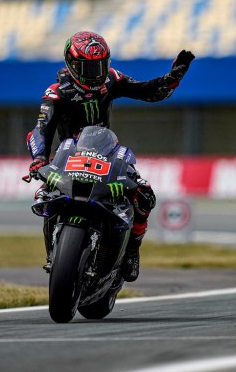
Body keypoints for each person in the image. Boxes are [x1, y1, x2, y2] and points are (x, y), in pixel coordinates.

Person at [26, 30, 194, 282]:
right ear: (72, 65)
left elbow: (148, 91)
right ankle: (55, 253)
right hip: (67, 158)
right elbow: (40, 130)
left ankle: (132, 250)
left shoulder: (112, 79)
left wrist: (172, 78)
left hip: (105, 152)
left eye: (101, 65)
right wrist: (39, 159)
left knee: (144, 194)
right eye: (89, 67)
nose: (97, 73)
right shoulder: (56, 93)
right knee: (45, 195)